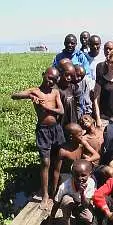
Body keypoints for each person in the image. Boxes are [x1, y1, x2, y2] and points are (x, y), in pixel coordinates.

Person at [11, 67, 64, 209]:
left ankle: (54, 190)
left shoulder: (55, 92)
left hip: (56, 129)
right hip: (43, 131)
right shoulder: (35, 91)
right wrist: (29, 96)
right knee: (45, 162)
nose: (51, 81)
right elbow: (14, 95)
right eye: (49, 78)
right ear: (43, 75)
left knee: (58, 159)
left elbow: (61, 111)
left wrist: (47, 108)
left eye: (55, 79)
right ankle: (45, 194)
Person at [53, 123, 100, 194]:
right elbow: (57, 171)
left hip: (81, 171)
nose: (82, 137)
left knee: (91, 179)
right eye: (80, 135)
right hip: (68, 173)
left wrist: (85, 161)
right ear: (71, 137)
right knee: (67, 185)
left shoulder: (82, 143)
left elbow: (97, 155)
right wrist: (54, 190)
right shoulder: (63, 151)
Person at [48, 159, 95, 225]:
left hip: (82, 205)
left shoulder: (91, 183)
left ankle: (78, 218)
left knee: (89, 218)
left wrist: (82, 193)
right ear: (72, 174)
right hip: (70, 205)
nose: (79, 178)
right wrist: (51, 217)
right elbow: (57, 203)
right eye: (76, 175)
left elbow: (86, 205)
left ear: (89, 174)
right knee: (66, 199)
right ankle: (66, 221)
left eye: (83, 175)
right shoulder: (65, 186)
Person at [57, 62, 78, 127]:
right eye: (66, 75)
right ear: (60, 73)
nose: (69, 78)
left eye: (71, 75)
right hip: (60, 125)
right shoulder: (56, 89)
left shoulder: (73, 87)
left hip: (72, 124)